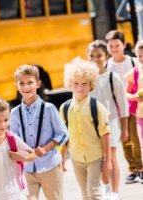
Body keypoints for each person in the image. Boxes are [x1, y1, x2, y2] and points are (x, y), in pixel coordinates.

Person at [10, 64, 68, 200]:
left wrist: (45, 148)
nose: (26, 87)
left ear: (38, 84)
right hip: (27, 169)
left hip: (50, 166)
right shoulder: (15, 113)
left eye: (30, 82)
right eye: (21, 83)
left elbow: (63, 133)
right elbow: (14, 140)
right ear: (16, 86)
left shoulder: (49, 108)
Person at [60, 57, 112, 200]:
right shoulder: (65, 108)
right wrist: (62, 159)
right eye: (76, 83)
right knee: (84, 194)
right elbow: (65, 136)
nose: (80, 87)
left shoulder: (97, 107)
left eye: (84, 84)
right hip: (76, 158)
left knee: (93, 192)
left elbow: (106, 134)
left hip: (95, 157)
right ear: (70, 84)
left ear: (91, 85)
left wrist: (107, 160)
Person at [88, 40, 129, 199]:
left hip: (111, 124)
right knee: (99, 159)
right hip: (93, 126)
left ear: (106, 57)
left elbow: (123, 106)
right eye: (92, 55)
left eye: (99, 55)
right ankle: (106, 188)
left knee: (110, 157)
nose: (95, 59)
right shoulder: (87, 80)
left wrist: (124, 129)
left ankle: (115, 192)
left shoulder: (113, 77)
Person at [105, 30, 143, 184]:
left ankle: (140, 167)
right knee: (124, 138)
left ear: (124, 45)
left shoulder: (133, 61)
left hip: (133, 106)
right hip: (116, 107)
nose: (114, 49)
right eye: (111, 46)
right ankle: (132, 168)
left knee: (135, 137)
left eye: (117, 45)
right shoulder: (108, 65)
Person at [125, 40, 143, 183]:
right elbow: (125, 93)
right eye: (139, 56)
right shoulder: (135, 72)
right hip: (140, 114)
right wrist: (134, 97)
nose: (142, 59)